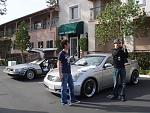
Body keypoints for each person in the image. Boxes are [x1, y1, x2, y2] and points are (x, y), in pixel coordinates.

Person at [58, 39, 80, 106]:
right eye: (68, 43)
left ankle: (72, 100)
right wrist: (60, 74)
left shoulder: (66, 53)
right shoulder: (61, 54)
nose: (69, 45)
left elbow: (67, 62)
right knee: (64, 88)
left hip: (69, 72)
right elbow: (59, 64)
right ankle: (64, 102)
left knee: (71, 86)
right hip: (64, 73)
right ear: (65, 45)